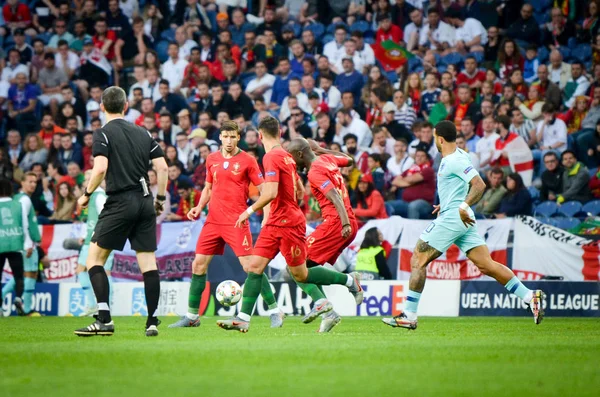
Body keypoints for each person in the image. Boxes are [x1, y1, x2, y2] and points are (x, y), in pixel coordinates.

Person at [382, 120, 544, 330]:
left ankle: (409, 315)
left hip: (454, 218)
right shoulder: (459, 156)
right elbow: (462, 185)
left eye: (434, 138)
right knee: (486, 264)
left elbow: (479, 184)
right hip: (459, 217)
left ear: (439, 139)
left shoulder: (453, 161)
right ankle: (530, 296)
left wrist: (463, 205)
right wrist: (448, 203)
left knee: (418, 258)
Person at [216, 116, 364, 333]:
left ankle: (349, 281)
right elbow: (299, 191)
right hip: (276, 221)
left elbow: (272, 192)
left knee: (301, 273)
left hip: (288, 225)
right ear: (280, 132)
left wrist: (248, 211)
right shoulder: (287, 157)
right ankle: (243, 318)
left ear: (259, 135)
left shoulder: (271, 157)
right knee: (255, 267)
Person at [73, 86, 168, 338]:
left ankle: (104, 319)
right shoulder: (143, 132)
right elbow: (163, 168)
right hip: (145, 200)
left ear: (102, 106)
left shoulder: (102, 133)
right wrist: (160, 198)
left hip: (120, 201)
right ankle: (152, 321)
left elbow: (101, 168)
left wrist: (86, 194)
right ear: (125, 107)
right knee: (148, 263)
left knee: (93, 260)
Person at [169, 121, 284, 328]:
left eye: (233, 136)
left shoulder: (248, 160)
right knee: (198, 265)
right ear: (220, 138)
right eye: (226, 136)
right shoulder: (211, 159)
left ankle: (275, 310)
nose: (229, 140)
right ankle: (192, 316)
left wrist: (267, 216)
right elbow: (208, 187)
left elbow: (266, 191)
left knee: (251, 267)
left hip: (236, 221)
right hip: (212, 221)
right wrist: (199, 206)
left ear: (238, 137)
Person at [286, 138, 358, 332]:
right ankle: (327, 312)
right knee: (303, 268)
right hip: (347, 220)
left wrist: (344, 223)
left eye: (292, 157)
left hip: (336, 223)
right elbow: (349, 160)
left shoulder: (315, 171)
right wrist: (320, 149)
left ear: (300, 154)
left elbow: (334, 195)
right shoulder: (327, 160)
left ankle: (350, 281)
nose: (292, 163)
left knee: (295, 265)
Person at [75, 170, 115, 316]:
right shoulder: (93, 197)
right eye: (85, 179)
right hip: (92, 237)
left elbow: (107, 216)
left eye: (88, 178)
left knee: (87, 270)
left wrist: (97, 235)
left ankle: (99, 306)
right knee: (86, 270)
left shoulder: (99, 196)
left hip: (99, 239)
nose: (86, 181)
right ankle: (97, 305)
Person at [1, 172, 41, 315]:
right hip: (25, 243)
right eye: (30, 181)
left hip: (19, 242)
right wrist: (28, 243)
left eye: (35, 182)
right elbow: (23, 224)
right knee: (30, 274)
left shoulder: (18, 199)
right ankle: (27, 308)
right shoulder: (24, 200)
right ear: (22, 183)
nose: (33, 184)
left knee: (21, 275)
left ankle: (6, 297)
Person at [387, 147, 436, 219]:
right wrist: (409, 183)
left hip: (424, 203)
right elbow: (395, 181)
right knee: (387, 205)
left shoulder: (428, 170)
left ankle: (411, 229)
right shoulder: (410, 170)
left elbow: (412, 179)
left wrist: (406, 181)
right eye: (417, 156)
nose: (419, 158)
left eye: (422, 156)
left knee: (413, 206)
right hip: (406, 202)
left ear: (426, 158)